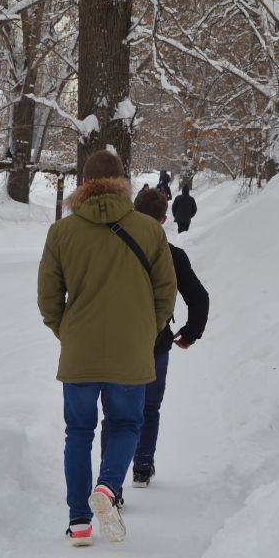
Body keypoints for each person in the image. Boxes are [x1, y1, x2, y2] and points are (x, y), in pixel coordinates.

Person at [37, 150, 177, 546]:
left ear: (83, 184)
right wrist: (147, 331)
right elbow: (166, 292)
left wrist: (66, 331)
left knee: (78, 433)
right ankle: (107, 487)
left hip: (79, 349)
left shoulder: (61, 233)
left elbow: (49, 297)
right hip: (132, 349)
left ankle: (79, 522)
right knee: (128, 424)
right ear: (123, 182)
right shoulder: (149, 231)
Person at [101, 187, 209, 489]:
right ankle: (142, 466)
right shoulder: (173, 255)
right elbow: (199, 298)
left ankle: (110, 483)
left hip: (114, 341)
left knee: (113, 413)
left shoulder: (110, 249)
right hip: (156, 342)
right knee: (149, 406)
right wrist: (189, 334)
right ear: (164, 219)